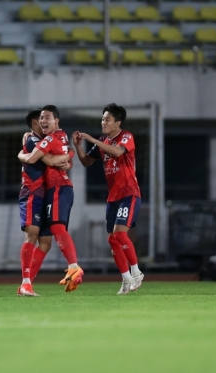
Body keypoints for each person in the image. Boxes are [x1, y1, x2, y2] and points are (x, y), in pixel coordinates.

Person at [72, 103, 144, 295]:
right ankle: (126, 279)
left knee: (120, 235)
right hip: (113, 197)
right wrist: (79, 146)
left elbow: (118, 151)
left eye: (107, 119)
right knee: (112, 239)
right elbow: (87, 162)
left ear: (117, 123)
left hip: (129, 193)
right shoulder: (102, 142)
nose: (103, 122)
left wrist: (93, 139)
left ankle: (136, 272)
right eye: (102, 118)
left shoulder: (126, 136)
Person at [18, 105, 84, 292]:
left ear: (56, 121)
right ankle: (26, 282)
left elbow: (62, 152)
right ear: (34, 123)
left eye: (47, 118)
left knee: (48, 239)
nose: (43, 122)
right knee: (35, 236)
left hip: (50, 191)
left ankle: (29, 282)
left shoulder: (49, 138)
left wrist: (69, 156)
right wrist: (21, 154)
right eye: (41, 119)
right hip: (32, 192)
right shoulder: (32, 139)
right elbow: (48, 160)